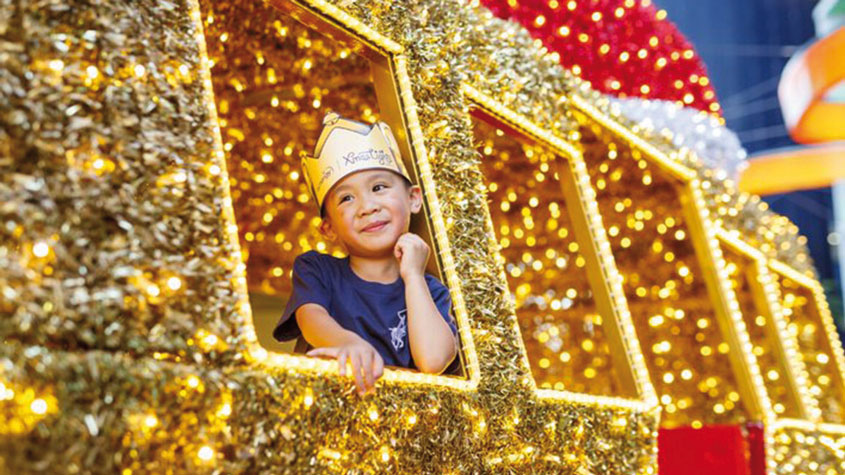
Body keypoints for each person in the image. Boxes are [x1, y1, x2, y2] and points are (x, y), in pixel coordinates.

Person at [273, 111, 459, 395]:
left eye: (379, 187)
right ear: (329, 228)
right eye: (347, 198)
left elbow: (433, 360)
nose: (367, 206)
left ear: (413, 199)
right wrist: (346, 342)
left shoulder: (430, 291)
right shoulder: (318, 270)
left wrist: (413, 276)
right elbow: (311, 318)